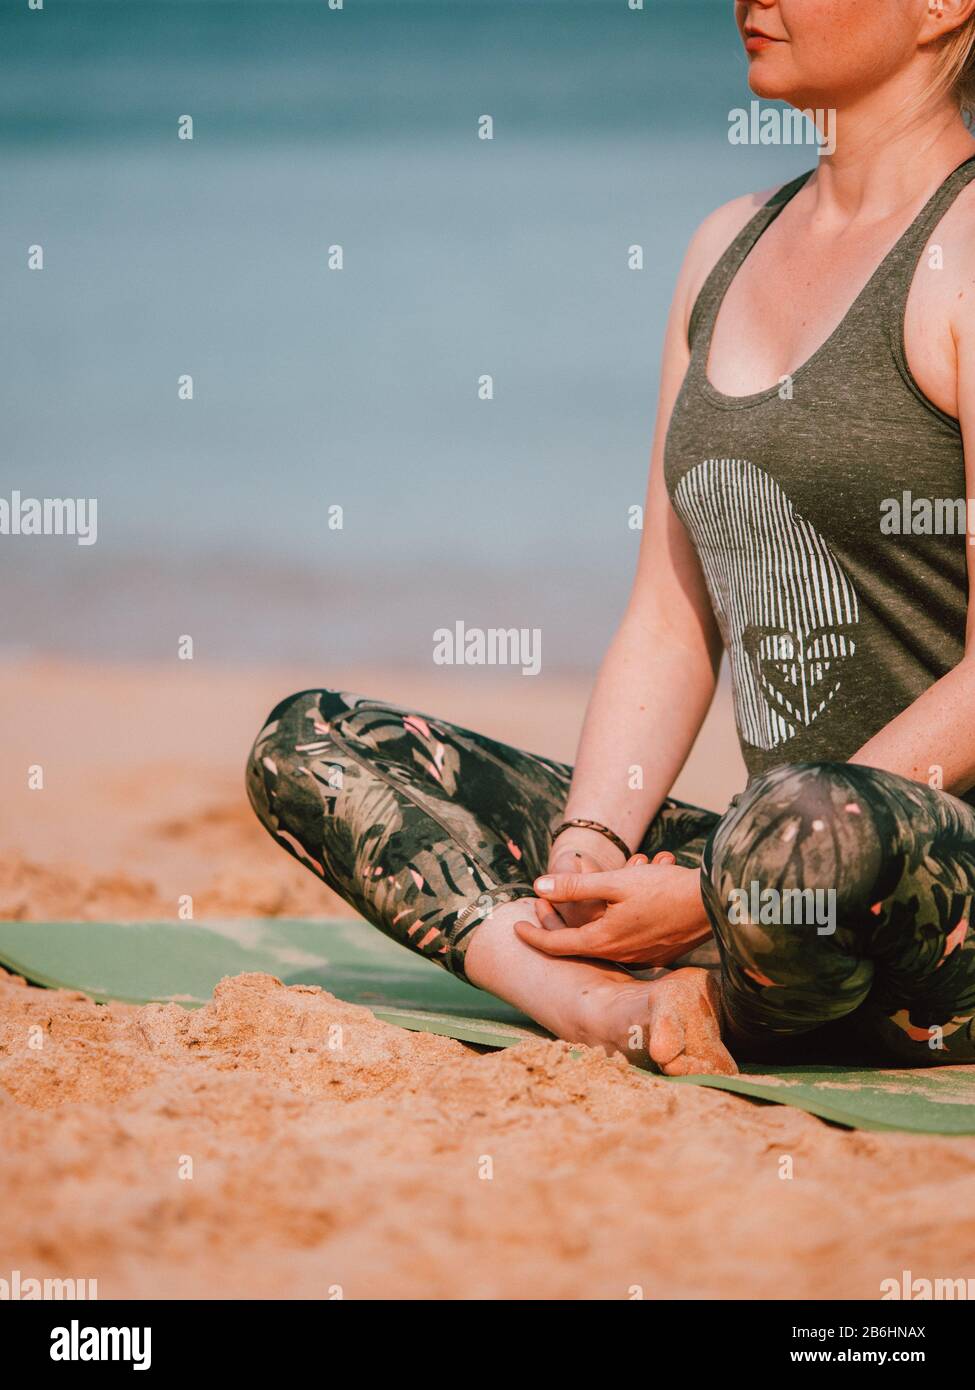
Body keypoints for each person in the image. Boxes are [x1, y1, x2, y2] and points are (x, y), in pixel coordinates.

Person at [248, 1, 975, 1075]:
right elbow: (671, 616)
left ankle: (726, 964)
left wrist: (707, 892)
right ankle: (592, 1001)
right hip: (765, 876)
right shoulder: (724, 249)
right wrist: (591, 852)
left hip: (902, 878)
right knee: (310, 745)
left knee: (802, 819)